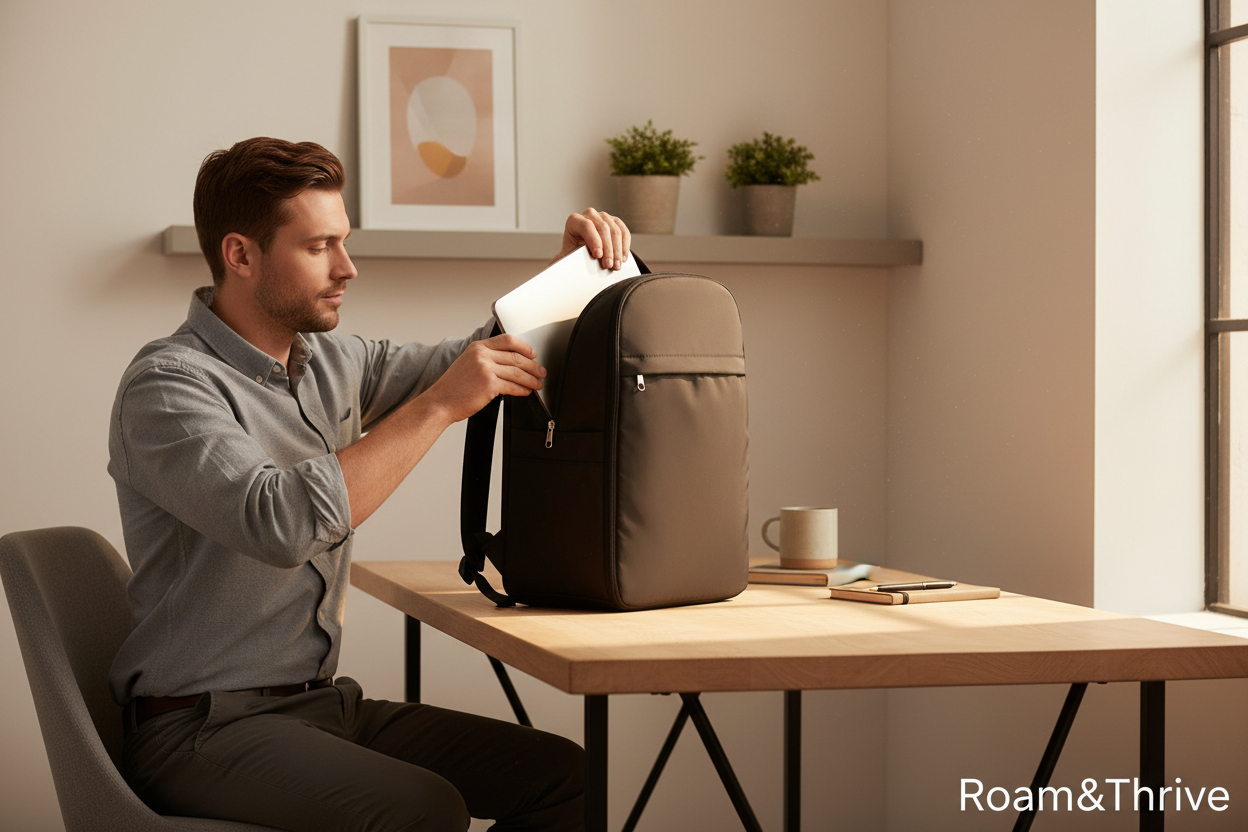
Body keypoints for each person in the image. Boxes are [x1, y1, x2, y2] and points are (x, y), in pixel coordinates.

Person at [107, 137, 631, 832]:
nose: (347, 267)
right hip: (200, 730)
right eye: (320, 246)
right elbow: (281, 522)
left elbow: (483, 361)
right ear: (240, 255)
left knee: (567, 778)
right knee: (425, 810)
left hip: (321, 707)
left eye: (343, 242)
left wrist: (567, 276)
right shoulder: (169, 387)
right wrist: (439, 406)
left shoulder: (329, 362)